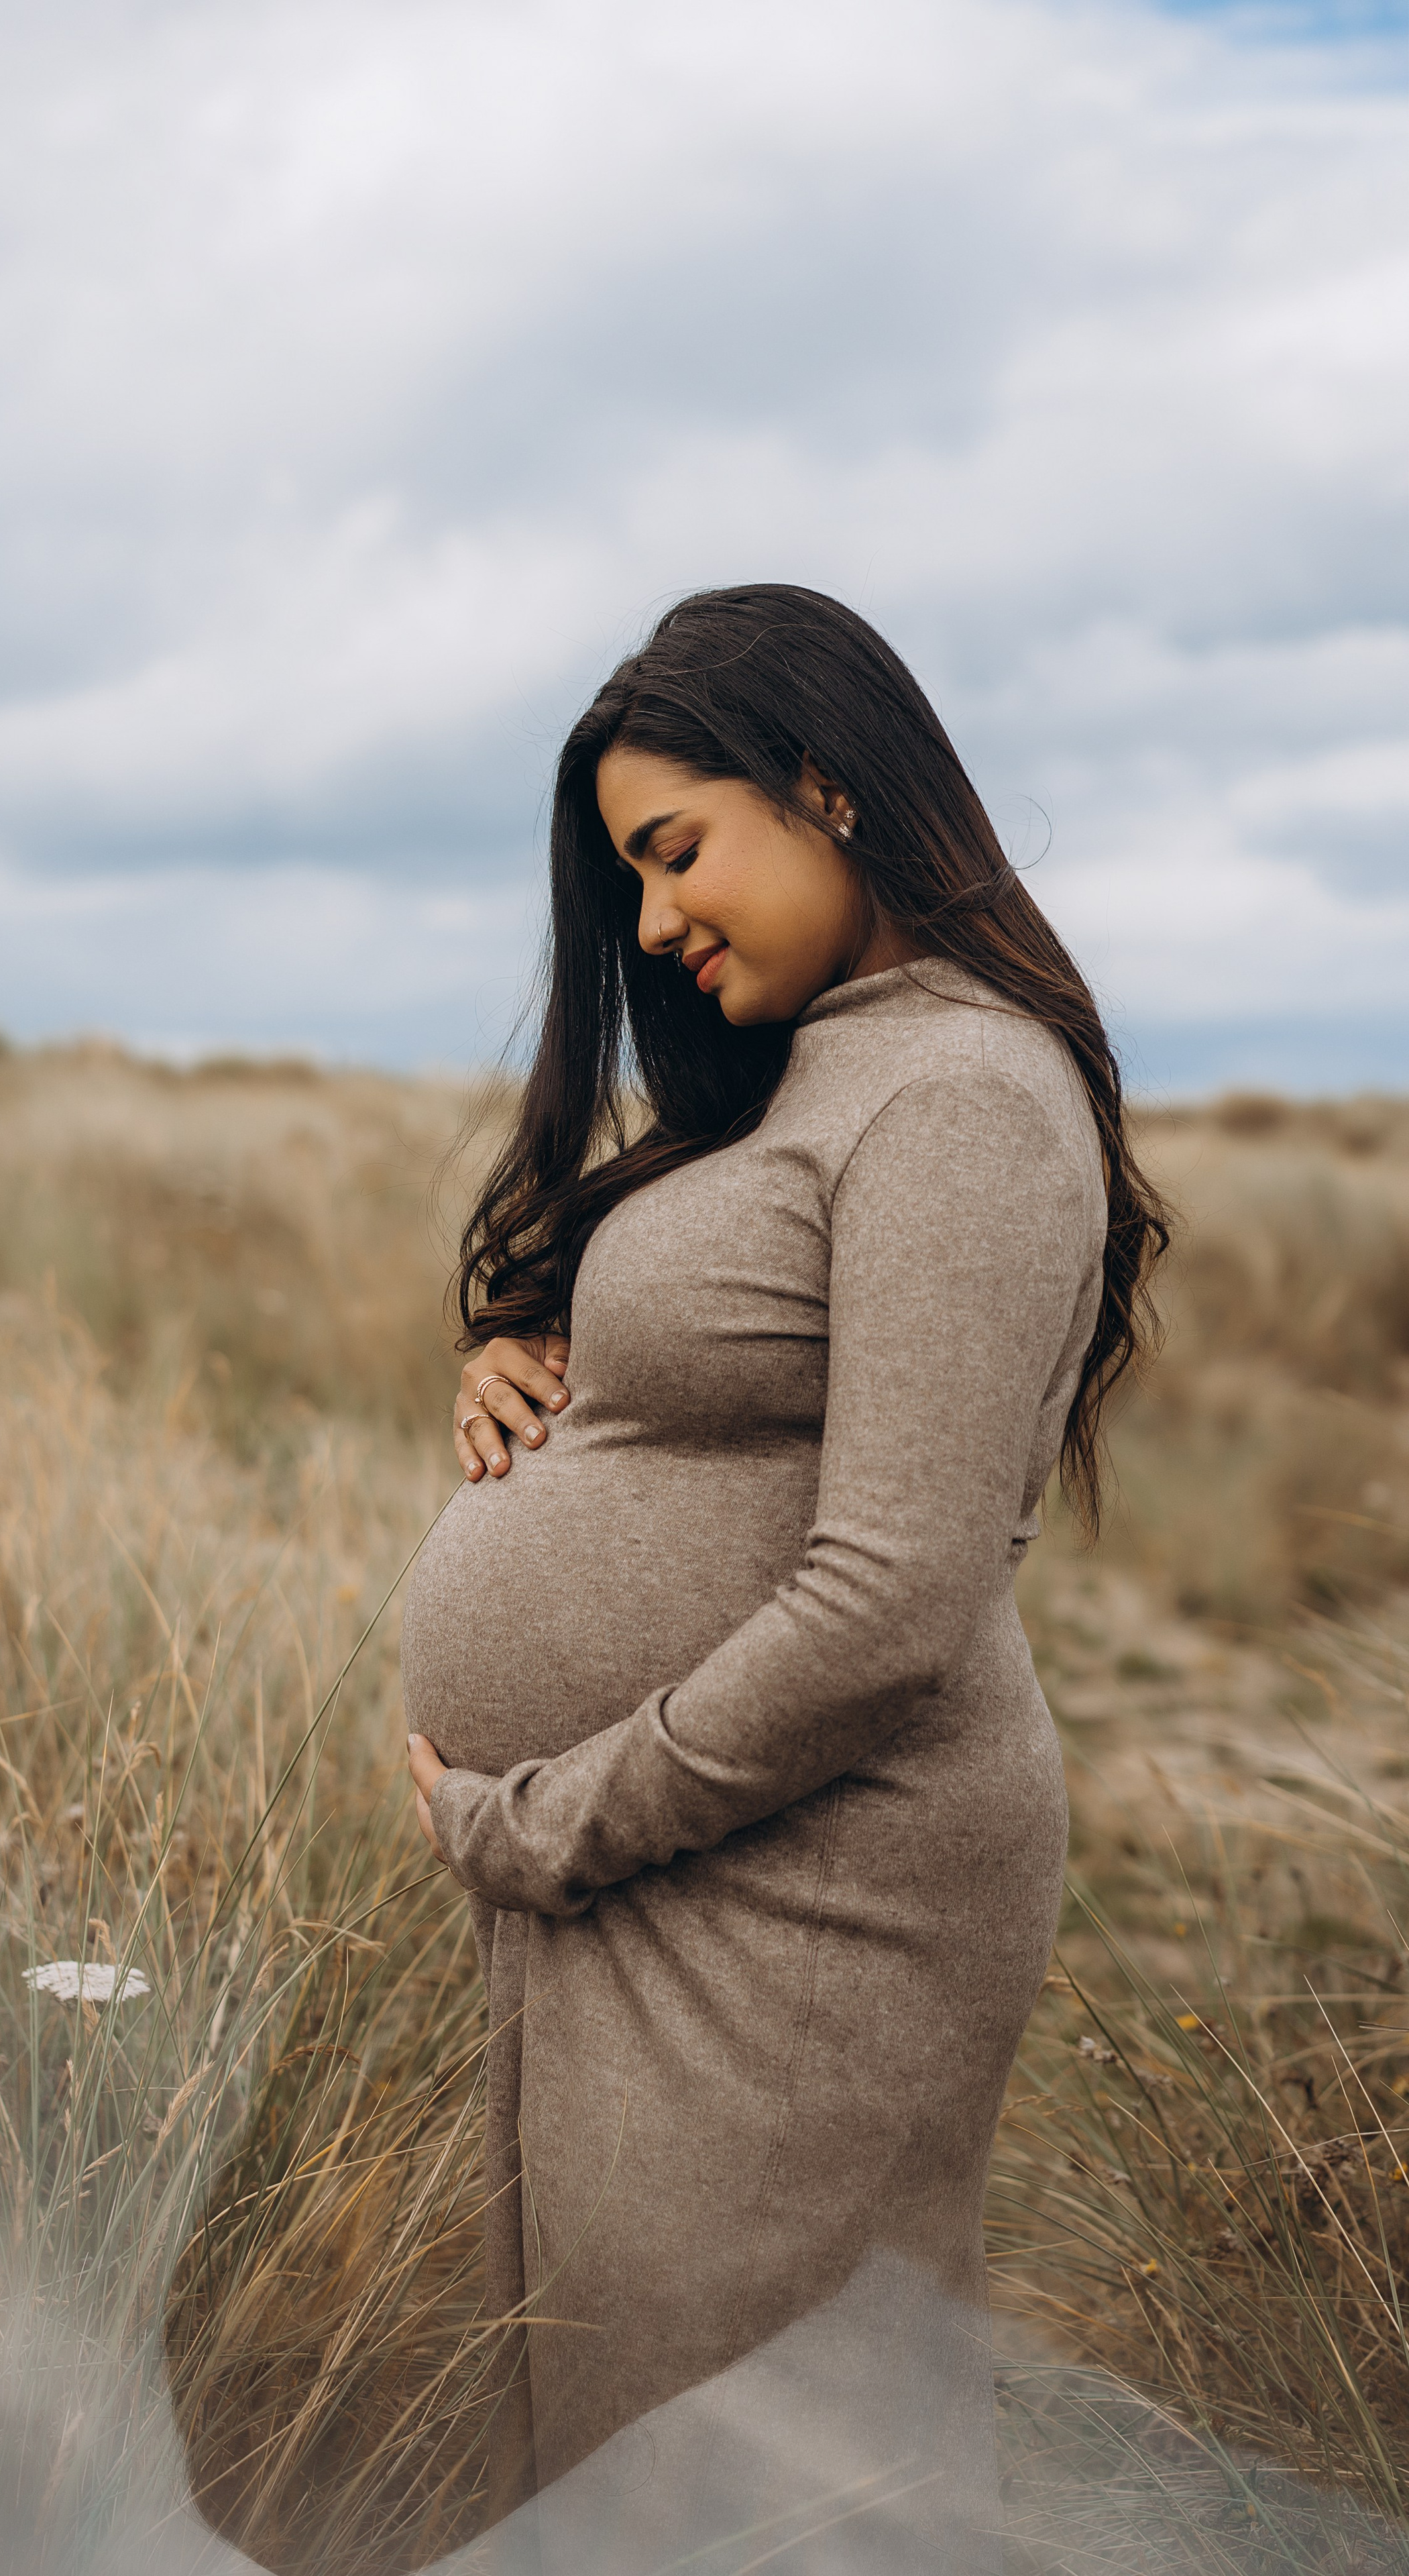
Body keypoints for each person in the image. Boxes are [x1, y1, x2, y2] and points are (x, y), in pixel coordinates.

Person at [398, 584, 1168, 2565]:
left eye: (674, 852)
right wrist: (529, 1370)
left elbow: (895, 1599)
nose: (653, 923)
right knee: (638, 2441)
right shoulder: (830, 1072)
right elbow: (727, 1403)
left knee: (758, 2478)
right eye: (631, 879)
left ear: (825, 786)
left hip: (814, 1893)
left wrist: (547, 1820)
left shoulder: (968, 1098)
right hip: (700, 1873)